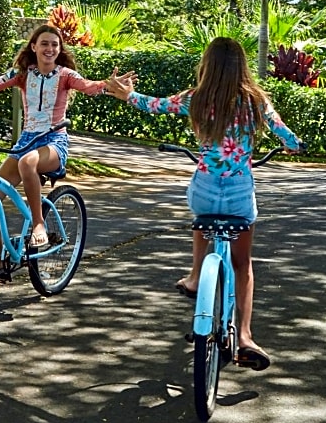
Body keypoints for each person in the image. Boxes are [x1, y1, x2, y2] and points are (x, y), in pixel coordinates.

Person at [106, 36, 303, 371]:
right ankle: (244, 335)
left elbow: (155, 105)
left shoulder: (196, 97)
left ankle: (197, 276)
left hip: (204, 189)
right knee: (243, 264)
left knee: (203, 222)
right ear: (241, 66)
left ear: (208, 65)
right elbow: (287, 136)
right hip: (240, 193)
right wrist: (293, 145)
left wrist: (127, 94)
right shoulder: (256, 100)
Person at [0, 24, 135, 291]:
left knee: (28, 162)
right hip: (26, 140)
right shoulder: (23, 74)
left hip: (53, 141)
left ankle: (38, 224)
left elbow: (89, 86)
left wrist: (109, 85)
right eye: (45, 44)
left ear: (59, 50)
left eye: (55, 45)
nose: (50, 49)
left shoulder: (65, 75)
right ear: (33, 47)